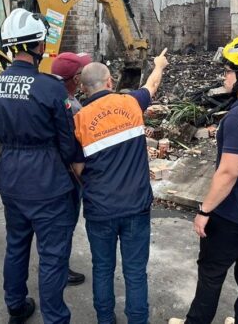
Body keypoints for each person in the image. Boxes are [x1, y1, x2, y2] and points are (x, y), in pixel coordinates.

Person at [170, 36, 238, 324]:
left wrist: (204, 211)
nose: (224, 77)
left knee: (210, 272)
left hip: (234, 214)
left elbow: (228, 172)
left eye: (227, 71)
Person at [0, 8, 79, 324]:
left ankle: (15, 306)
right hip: (46, 182)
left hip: (10, 177)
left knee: (17, 244)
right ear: (38, 45)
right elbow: (67, 143)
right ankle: (54, 317)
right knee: (53, 256)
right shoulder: (50, 87)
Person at [71, 49, 169, 324]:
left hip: (99, 209)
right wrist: (159, 64)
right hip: (135, 207)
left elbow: (77, 169)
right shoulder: (131, 103)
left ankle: (105, 320)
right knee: (135, 272)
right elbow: (152, 86)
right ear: (110, 82)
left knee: (102, 269)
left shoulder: (78, 121)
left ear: (83, 89)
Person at [51, 52, 94, 286]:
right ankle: (60, 268)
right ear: (77, 79)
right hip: (68, 176)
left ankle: (57, 264)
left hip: (48, 173)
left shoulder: (50, 98)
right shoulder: (73, 107)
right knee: (65, 224)